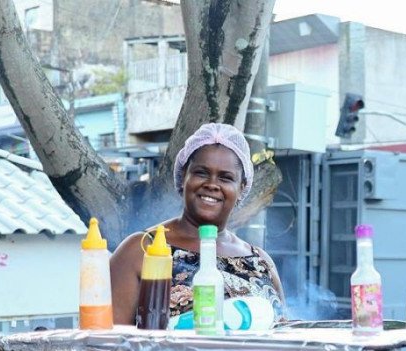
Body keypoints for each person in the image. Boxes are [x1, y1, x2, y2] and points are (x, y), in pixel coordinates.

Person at [110, 122, 285, 326]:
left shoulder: (261, 262)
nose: (212, 184)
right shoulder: (140, 250)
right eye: (201, 173)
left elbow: (285, 340)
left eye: (226, 178)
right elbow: (107, 349)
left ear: (242, 188)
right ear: (184, 176)